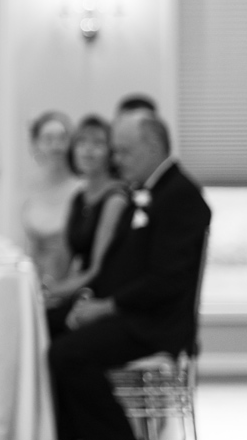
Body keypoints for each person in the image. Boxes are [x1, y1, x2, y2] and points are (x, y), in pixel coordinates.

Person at [47, 112, 211, 440]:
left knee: (67, 355)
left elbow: (167, 281)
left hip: (155, 323)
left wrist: (106, 307)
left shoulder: (181, 196)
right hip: (130, 309)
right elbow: (116, 267)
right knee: (46, 325)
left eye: (123, 151)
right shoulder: (143, 191)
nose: (116, 160)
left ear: (152, 147)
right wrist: (87, 299)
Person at [43, 115, 127, 307]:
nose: (88, 150)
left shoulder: (116, 199)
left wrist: (54, 292)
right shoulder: (78, 198)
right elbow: (63, 259)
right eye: (81, 142)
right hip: (80, 291)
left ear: (111, 153)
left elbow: (98, 271)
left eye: (98, 143)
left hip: (102, 297)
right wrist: (47, 285)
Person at [22, 111, 81, 287]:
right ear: (36, 145)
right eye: (48, 139)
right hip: (33, 282)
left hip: (70, 285)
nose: (56, 147)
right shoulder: (28, 189)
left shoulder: (81, 190)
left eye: (62, 139)